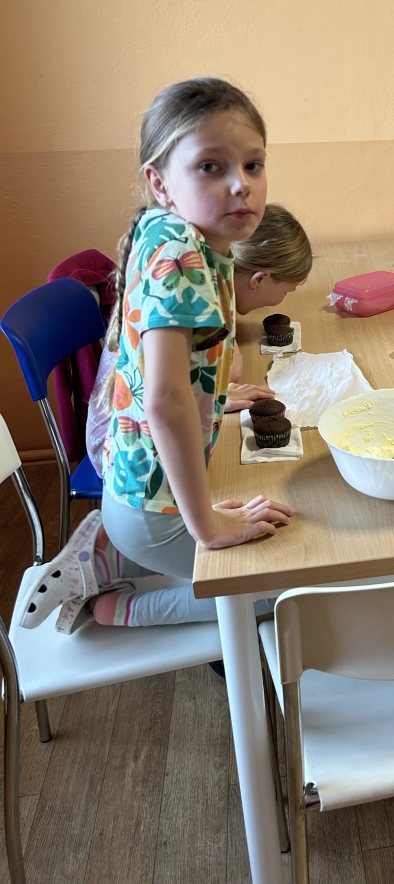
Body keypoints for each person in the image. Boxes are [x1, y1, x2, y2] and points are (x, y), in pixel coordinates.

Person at [22, 78, 296, 632]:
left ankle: (102, 557)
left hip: (140, 495)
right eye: (211, 167)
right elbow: (166, 403)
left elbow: (187, 373)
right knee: (285, 589)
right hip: (154, 511)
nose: (241, 185)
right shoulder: (181, 256)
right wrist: (207, 527)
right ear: (160, 182)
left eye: (253, 164)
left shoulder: (172, 231)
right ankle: (117, 609)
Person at [84, 202, 313, 472]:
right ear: (259, 279)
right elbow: (231, 369)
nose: (282, 300)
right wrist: (211, 399)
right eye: (286, 292)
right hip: (121, 452)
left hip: (134, 434)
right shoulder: (196, 296)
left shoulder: (207, 271)